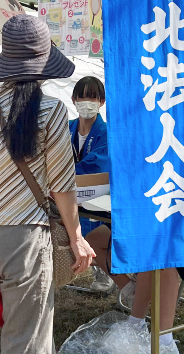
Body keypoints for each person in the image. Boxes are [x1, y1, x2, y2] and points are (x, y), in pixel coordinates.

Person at [0, 15, 94, 353]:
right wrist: (76, 238)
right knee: (27, 341)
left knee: (18, 332)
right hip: (24, 238)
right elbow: (62, 182)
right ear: (44, 65)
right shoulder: (52, 110)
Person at [69, 76, 114, 294]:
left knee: (96, 226)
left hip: (98, 192)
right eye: (82, 97)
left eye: (93, 98)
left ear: (102, 102)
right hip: (68, 190)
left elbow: (98, 163)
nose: (87, 102)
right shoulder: (66, 128)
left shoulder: (107, 133)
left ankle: (103, 271)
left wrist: (62, 175)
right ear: (73, 99)